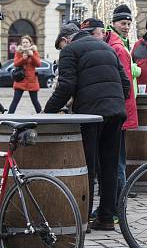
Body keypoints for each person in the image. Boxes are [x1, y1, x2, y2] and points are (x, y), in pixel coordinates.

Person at [44, 18, 130, 231]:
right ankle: (107, 217)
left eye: (60, 46)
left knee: (88, 167)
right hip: (116, 111)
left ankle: (85, 220)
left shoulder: (70, 51)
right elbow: (125, 84)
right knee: (109, 167)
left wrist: (47, 113)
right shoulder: (106, 47)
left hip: (90, 115)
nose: (61, 50)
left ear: (65, 40)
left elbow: (65, 86)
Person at [105, 12, 139, 207]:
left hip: (120, 109)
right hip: (123, 107)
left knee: (117, 159)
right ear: (113, 24)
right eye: (122, 23)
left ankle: (119, 205)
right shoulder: (119, 45)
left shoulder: (118, 46)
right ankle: (119, 203)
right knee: (118, 157)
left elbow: (124, 81)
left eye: (128, 23)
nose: (126, 26)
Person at [8, 35, 41, 114]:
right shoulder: (18, 52)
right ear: (21, 43)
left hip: (32, 80)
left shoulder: (34, 52)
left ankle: (42, 116)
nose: (25, 44)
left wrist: (32, 55)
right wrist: (23, 58)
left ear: (30, 43)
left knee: (35, 101)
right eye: (23, 42)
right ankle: (8, 117)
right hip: (20, 79)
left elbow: (38, 64)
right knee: (15, 100)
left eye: (26, 42)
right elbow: (15, 64)